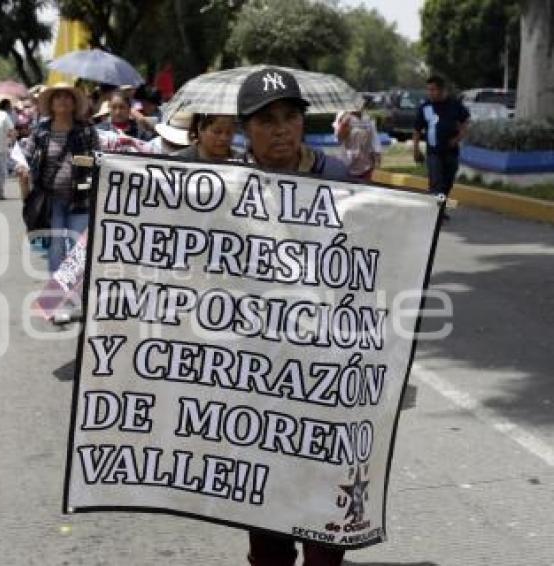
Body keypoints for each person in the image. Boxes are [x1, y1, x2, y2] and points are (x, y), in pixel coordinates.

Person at [237, 66, 347, 566]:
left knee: (328, 525)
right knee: (268, 527)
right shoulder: (223, 187)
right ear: (247, 130)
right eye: (266, 120)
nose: (280, 129)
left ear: (304, 123)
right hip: (255, 378)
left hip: (328, 374)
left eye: (290, 117)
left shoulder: (341, 177)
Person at [16, 82, 99, 273]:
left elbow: (98, 161)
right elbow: (25, 157)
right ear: (51, 104)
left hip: (81, 198)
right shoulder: (40, 131)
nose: (63, 100)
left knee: (79, 247)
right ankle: (57, 293)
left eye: (67, 96)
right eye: (58, 97)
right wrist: (22, 168)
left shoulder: (87, 130)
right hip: (49, 200)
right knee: (56, 247)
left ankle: (74, 289)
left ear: (74, 103)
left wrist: (82, 161)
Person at [413, 75, 470, 203]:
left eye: (433, 90)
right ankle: (434, 212)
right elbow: (417, 130)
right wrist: (416, 150)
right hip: (434, 152)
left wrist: (457, 138)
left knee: (447, 183)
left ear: (442, 90)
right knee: (436, 183)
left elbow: (465, 122)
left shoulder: (454, 104)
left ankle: (441, 210)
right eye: (428, 90)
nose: (430, 93)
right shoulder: (425, 107)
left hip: (451, 151)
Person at [333, 102, 382, 180]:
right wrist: (344, 124)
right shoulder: (342, 116)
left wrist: (377, 157)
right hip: (347, 163)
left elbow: (374, 141)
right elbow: (339, 138)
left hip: (365, 164)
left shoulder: (368, 119)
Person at [174, 113, 239, 160]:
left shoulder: (242, 162)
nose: (224, 138)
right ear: (200, 128)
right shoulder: (178, 161)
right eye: (217, 132)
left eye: (229, 132)